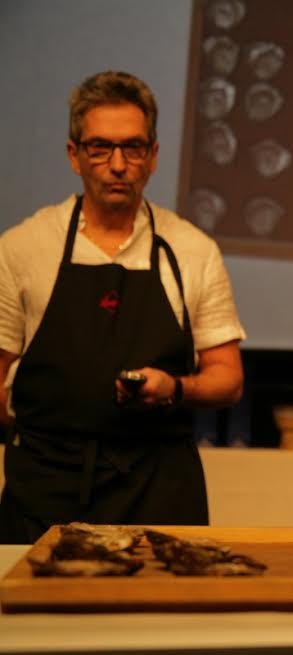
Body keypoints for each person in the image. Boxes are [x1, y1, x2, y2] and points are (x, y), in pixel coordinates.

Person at [0, 71, 246, 544]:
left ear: (152, 157)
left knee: (158, 620)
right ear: (75, 155)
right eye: (100, 148)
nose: (117, 164)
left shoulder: (193, 250)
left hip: (157, 487)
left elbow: (228, 378)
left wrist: (173, 387)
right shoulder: (25, 247)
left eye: (132, 148)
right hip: (45, 490)